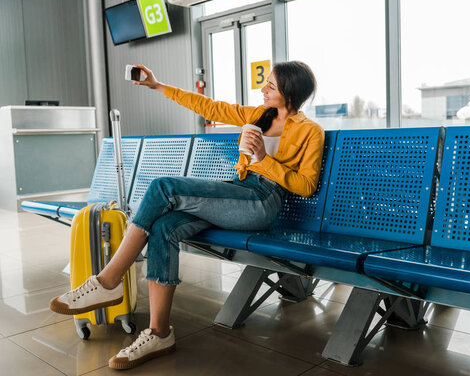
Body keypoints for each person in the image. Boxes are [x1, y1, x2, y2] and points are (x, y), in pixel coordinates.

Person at [48, 61, 324, 370]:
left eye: (271, 86)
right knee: (165, 226)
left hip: (262, 202)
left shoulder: (310, 131)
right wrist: (158, 85)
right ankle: (158, 333)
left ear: (289, 93)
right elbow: (208, 106)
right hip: (240, 193)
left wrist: (262, 158)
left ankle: (108, 280)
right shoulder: (259, 116)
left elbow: (306, 186)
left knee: (163, 187)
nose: (262, 89)